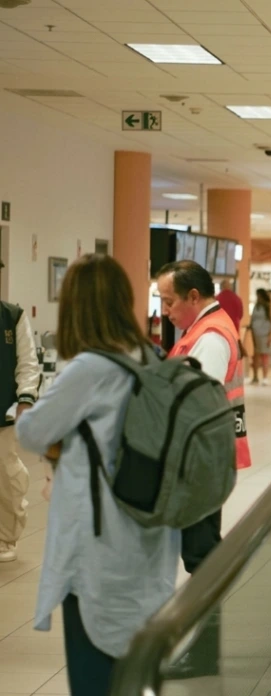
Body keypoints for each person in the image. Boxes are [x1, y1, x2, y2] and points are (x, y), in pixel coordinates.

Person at [16, 255, 178, 696]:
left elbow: (31, 432)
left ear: (75, 307)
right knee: (135, 674)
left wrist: (34, 410)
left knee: (95, 680)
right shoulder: (152, 358)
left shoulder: (89, 369)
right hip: (149, 539)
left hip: (97, 548)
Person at [156, 260, 250, 679]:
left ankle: (206, 651)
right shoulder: (204, 331)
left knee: (201, 555)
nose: (165, 310)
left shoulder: (211, 338)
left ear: (195, 297)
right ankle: (204, 647)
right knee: (201, 552)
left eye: (169, 300)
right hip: (205, 459)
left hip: (201, 462)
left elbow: (194, 406)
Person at [0, 298, 42, 563]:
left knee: (6, 477)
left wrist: (26, 398)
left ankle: (5, 537)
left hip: (2, 411)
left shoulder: (12, 316)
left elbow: (27, 362)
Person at [249, 289, 271, 385]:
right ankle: (255, 376)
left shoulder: (269, 308)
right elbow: (252, 319)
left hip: (265, 335)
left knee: (264, 356)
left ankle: (265, 377)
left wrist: (270, 336)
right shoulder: (256, 306)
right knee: (256, 356)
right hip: (256, 334)